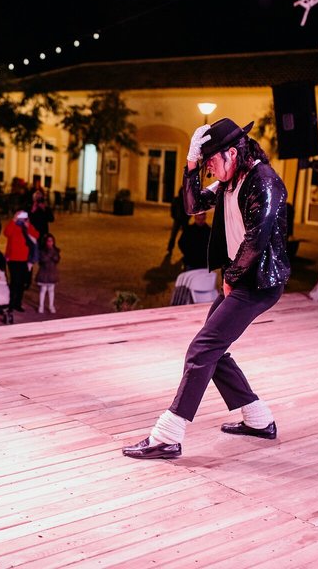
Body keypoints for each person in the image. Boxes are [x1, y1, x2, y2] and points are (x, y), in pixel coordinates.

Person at [122, 118, 291, 461]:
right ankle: (259, 419)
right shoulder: (230, 181)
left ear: (232, 153)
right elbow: (192, 205)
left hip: (257, 283)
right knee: (213, 349)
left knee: (202, 350)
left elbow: (256, 239)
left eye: (211, 160)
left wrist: (231, 277)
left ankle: (167, 436)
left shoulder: (264, 181)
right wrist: (190, 164)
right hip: (243, 279)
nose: (209, 168)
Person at [3, 210, 39, 312]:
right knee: (14, 282)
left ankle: (17, 303)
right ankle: (10, 303)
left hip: (25, 259)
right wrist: (14, 220)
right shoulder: (13, 226)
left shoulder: (28, 227)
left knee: (22, 283)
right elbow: (7, 233)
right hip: (13, 258)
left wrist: (28, 227)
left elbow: (36, 235)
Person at [36, 233, 61, 314]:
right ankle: (41, 306)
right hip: (44, 272)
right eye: (48, 241)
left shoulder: (55, 250)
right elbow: (43, 260)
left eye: (51, 241)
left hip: (52, 273)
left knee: (51, 290)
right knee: (43, 290)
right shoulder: (42, 251)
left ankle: (51, 306)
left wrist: (52, 254)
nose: (50, 243)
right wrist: (50, 254)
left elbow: (56, 259)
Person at [167, 186, 190, 254]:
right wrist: (174, 216)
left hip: (184, 220)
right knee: (173, 235)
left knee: (186, 235)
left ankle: (187, 249)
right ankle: (170, 248)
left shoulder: (187, 200)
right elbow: (172, 209)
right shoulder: (176, 199)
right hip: (177, 220)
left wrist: (187, 218)